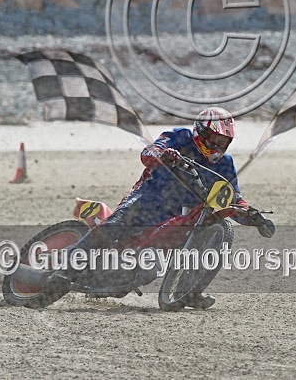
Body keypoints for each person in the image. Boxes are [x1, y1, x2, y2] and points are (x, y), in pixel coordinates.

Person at [56, 107, 274, 309]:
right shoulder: (179, 136)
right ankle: (64, 270)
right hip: (149, 199)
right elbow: (148, 152)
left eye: (223, 141)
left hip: (181, 213)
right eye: (215, 139)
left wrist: (253, 217)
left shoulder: (225, 163)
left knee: (209, 234)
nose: (218, 146)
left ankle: (190, 291)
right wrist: (164, 154)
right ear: (201, 133)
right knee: (113, 227)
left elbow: (233, 197)